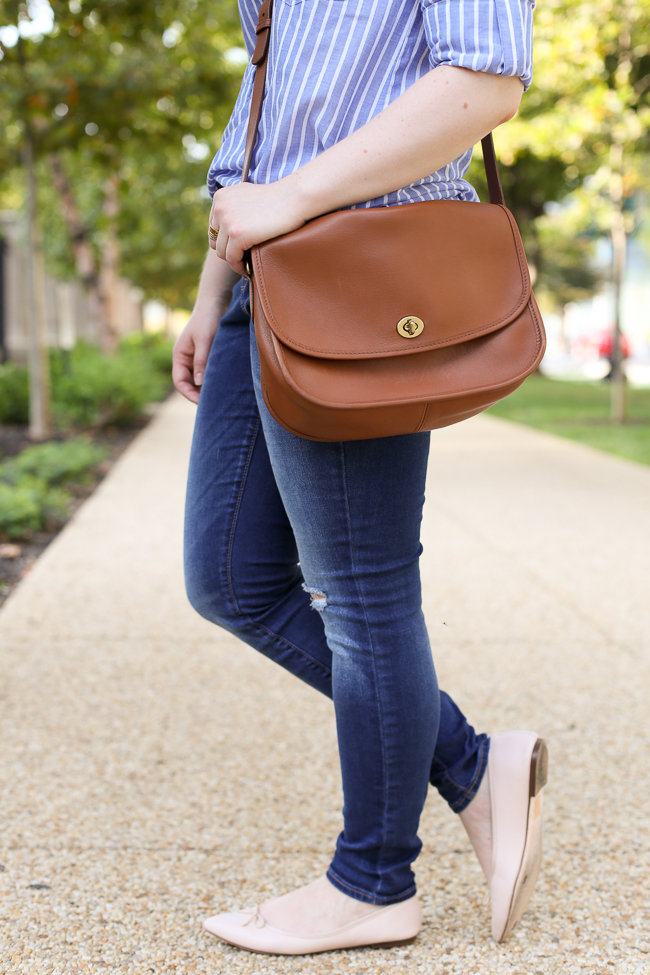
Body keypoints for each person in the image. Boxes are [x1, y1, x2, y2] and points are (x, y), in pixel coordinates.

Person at [173, 0, 547, 956]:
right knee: (232, 581)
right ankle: (471, 764)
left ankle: (374, 881)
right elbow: (270, 98)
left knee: (364, 592)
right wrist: (211, 291)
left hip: (362, 277)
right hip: (264, 277)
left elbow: (485, 77)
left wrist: (290, 201)